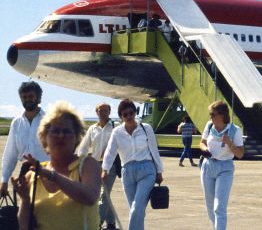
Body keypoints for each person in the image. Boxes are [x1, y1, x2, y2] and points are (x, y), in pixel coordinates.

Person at [12, 101, 101, 230]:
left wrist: (52, 176)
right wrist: (25, 201)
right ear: (44, 137)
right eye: (55, 131)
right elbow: (24, 227)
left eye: (67, 131)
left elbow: (89, 197)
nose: (61, 136)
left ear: (76, 137)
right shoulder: (34, 174)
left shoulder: (87, 164)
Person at [102, 99, 164, 230]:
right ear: (121, 117)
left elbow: (154, 150)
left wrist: (159, 171)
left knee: (136, 208)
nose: (129, 116)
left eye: (131, 113)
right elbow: (110, 152)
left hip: (147, 171)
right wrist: (105, 170)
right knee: (135, 210)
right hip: (127, 172)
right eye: (125, 114)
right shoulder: (117, 132)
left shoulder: (146, 129)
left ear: (135, 113)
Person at [199, 101, 244, 230]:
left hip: (225, 168)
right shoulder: (209, 126)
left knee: (219, 206)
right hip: (208, 166)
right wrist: (204, 149)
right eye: (210, 114)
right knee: (210, 205)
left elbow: (240, 154)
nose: (210, 117)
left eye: (213, 114)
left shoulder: (235, 130)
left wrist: (229, 143)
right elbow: (201, 143)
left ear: (222, 115)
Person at [1, 81, 49, 198]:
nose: (27, 99)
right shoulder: (17, 123)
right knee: (25, 212)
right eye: (24, 97)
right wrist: (4, 180)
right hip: (25, 174)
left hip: (46, 172)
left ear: (38, 97)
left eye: (31, 96)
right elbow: (10, 153)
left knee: (46, 212)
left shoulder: (49, 120)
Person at [77, 102, 118, 230]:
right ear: (97, 112)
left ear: (109, 112)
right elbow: (83, 147)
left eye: (106, 111)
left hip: (110, 166)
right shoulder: (92, 129)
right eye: (100, 111)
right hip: (95, 165)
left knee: (103, 195)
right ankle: (111, 223)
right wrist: (80, 162)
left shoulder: (115, 127)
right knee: (104, 194)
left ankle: (96, 224)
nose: (103, 113)